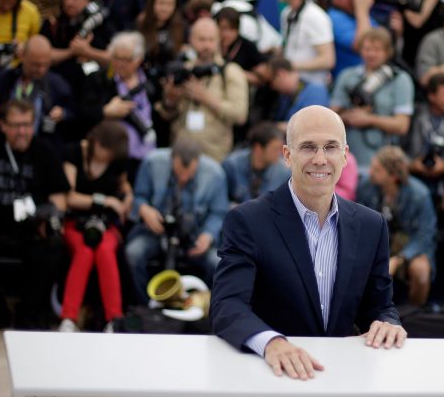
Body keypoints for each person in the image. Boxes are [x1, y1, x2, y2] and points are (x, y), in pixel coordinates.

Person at [210, 105, 405, 380]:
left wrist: (387, 323)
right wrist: (272, 344)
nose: (320, 158)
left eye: (330, 147)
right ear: (287, 156)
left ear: (345, 155)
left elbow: (380, 305)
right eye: (308, 147)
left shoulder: (371, 225)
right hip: (273, 377)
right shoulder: (247, 221)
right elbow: (227, 305)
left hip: (340, 377)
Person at [0, 99, 70, 334]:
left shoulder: (45, 151)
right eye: (15, 125)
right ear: (2, 125)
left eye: (27, 125)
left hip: (32, 230)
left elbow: (60, 197)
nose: (22, 131)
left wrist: (50, 220)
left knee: (53, 248)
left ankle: (28, 313)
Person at [125, 136, 229, 304]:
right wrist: (144, 210)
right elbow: (139, 197)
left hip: (195, 236)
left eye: (190, 174)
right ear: (171, 159)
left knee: (219, 263)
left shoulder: (215, 174)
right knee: (133, 254)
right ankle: (144, 308)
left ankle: (209, 310)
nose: (184, 178)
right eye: (180, 173)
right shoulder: (152, 163)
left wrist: (208, 235)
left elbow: (218, 213)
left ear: (198, 161)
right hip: (156, 233)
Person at [58, 120, 132, 333]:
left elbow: (124, 185)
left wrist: (128, 197)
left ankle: (114, 319)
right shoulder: (73, 152)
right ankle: (69, 318)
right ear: (97, 143)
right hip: (76, 221)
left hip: (106, 224)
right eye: (106, 152)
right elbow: (69, 197)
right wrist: (104, 200)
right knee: (84, 252)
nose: (108, 158)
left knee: (105, 251)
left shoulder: (117, 161)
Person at [159, 17, 249, 162]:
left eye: (211, 40)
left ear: (219, 41)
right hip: (180, 153)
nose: (206, 45)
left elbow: (240, 115)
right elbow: (165, 114)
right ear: (191, 40)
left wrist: (205, 98)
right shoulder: (182, 70)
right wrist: (171, 100)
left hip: (215, 156)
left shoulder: (230, 71)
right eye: (201, 39)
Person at [357, 146, 436, 306]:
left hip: (409, 244)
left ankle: (414, 315)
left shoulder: (419, 194)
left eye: (377, 169)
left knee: (420, 272)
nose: (370, 171)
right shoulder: (366, 187)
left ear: (393, 176)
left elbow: (425, 235)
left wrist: (399, 259)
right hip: (379, 242)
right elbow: (359, 224)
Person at [331, 27, 414, 170]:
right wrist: (350, 117)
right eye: (367, 49)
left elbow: (402, 125)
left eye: (377, 49)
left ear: (388, 52)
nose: (371, 54)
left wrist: (370, 119)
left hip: (383, 159)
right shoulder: (347, 76)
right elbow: (332, 117)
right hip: (349, 156)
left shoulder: (400, 79)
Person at [81, 31, 157, 177]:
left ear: (138, 59)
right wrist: (105, 112)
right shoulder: (98, 80)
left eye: (126, 59)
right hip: (113, 159)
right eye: (116, 58)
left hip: (147, 157)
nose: (120, 64)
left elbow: (160, 117)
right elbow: (82, 114)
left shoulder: (151, 82)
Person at [0, 35, 75, 142]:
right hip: (5, 142)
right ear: (22, 56)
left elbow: (74, 113)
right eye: (36, 65)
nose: (41, 70)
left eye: (45, 64)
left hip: (41, 146)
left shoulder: (57, 84)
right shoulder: (4, 80)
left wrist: (63, 113)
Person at [40, 0, 113, 95]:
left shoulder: (102, 24)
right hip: (60, 86)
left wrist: (88, 52)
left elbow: (114, 58)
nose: (69, 3)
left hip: (95, 87)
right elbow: (43, 56)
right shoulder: (53, 24)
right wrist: (71, 51)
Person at [407, 73, 444, 192]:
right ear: (432, 96)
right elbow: (397, 147)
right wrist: (412, 165)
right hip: (411, 179)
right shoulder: (413, 116)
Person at [275, 0, 335, 85]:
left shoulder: (315, 16)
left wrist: (290, 65)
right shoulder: (286, 13)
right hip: (291, 87)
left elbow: (328, 60)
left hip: (312, 88)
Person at [222, 121, 289, 205]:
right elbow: (220, 201)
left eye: (281, 149)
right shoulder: (232, 165)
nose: (280, 153)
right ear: (258, 148)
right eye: (275, 149)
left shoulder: (284, 172)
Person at [266, 55, 329, 129]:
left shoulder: (315, 91)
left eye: (271, 81)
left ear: (281, 74)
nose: (272, 87)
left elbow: (312, 126)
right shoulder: (285, 97)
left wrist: (274, 128)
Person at [327, 0, 375, 78]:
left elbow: (381, 39)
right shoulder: (332, 18)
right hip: (350, 82)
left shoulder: (357, 15)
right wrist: (362, 11)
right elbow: (364, 45)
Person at [137, 0, 184, 73]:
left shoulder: (180, 26)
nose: (165, 8)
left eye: (170, 4)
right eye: (161, 3)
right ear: (152, 3)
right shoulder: (141, 25)